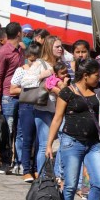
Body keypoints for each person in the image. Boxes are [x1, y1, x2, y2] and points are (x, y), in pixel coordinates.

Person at [45, 58, 100, 200]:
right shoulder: (67, 92)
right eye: (96, 75)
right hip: (71, 142)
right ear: (85, 75)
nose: (98, 78)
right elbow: (57, 118)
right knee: (70, 185)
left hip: (94, 143)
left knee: (98, 181)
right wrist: (49, 144)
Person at [21, 35, 63, 172]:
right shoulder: (40, 63)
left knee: (59, 143)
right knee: (45, 144)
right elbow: (25, 82)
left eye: (61, 46)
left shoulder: (61, 63)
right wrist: (43, 75)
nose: (60, 49)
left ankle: (53, 175)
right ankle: (42, 177)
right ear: (49, 48)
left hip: (59, 110)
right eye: (57, 46)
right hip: (43, 108)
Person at [0, 22, 25, 175]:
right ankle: (5, 162)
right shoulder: (3, 52)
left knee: (20, 132)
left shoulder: (20, 50)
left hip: (21, 95)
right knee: (7, 131)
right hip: (8, 97)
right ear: (19, 33)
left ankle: (19, 163)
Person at [10, 42, 42, 182]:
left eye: (35, 59)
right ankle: (27, 169)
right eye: (30, 59)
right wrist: (30, 90)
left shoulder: (43, 69)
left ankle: (36, 168)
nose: (33, 62)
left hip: (41, 105)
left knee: (39, 139)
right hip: (26, 105)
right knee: (27, 138)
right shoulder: (21, 70)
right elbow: (12, 89)